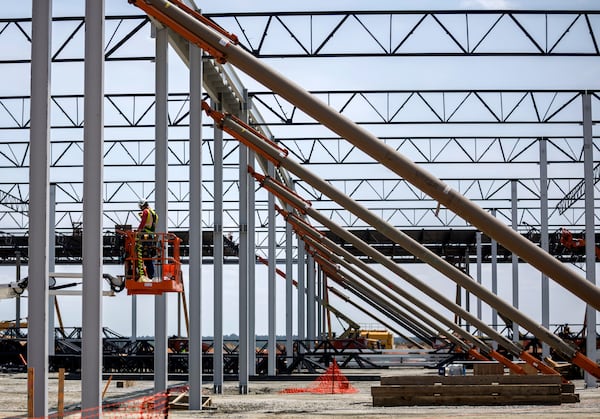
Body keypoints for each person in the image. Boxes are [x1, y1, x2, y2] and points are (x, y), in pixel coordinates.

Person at [136, 200, 158, 282]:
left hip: (145, 236)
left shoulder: (146, 212)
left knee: (144, 255)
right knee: (148, 255)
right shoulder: (154, 213)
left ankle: (147, 275)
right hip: (151, 236)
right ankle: (150, 275)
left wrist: (138, 231)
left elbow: (143, 222)